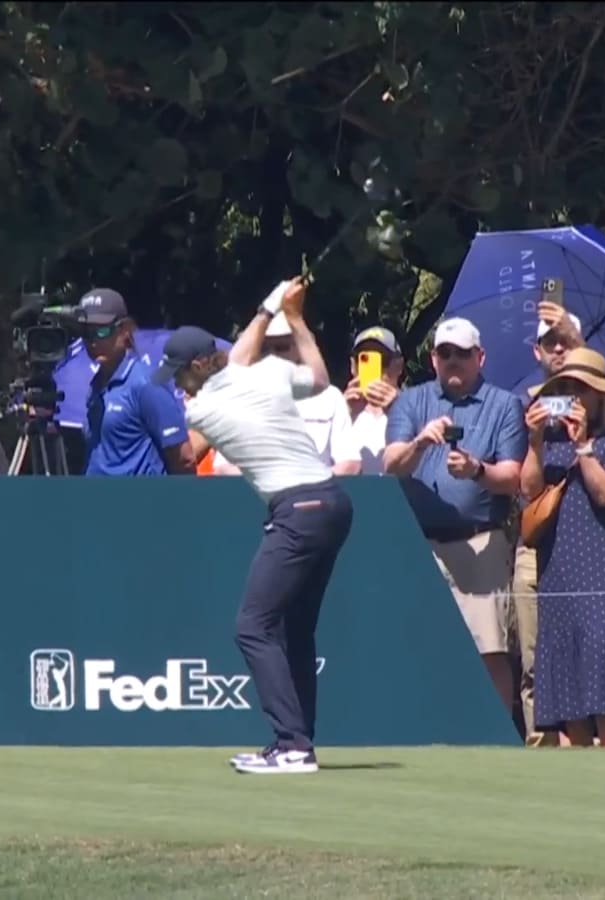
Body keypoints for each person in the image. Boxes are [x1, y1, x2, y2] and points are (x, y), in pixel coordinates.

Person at [154, 277, 352, 776]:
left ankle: (292, 746)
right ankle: (298, 741)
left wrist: (270, 312)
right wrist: (290, 317)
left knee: (252, 627)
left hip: (297, 510)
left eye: (181, 373)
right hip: (332, 503)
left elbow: (188, 451)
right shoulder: (268, 373)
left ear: (201, 364)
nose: (178, 383)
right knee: (294, 630)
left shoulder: (204, 408)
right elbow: (321, 378)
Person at [383, 316, 527, 715]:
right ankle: (426, 729)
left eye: (462, 354)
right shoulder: (411, 401)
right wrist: (419, 442)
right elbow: (392, 463)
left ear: (480, 357)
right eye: (445, 353)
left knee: (490, 650)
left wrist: (477, 470)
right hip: (419, 544)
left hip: (480, 542)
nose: (453, 361)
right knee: (419, 646)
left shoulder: (504, 404)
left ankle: (496, 735)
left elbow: (513, 477)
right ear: (433, 359)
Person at [522, 348, 605, 747]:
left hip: (600, 557)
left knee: (598, 639)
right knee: (562, 645)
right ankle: (575, 752)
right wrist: (536, 443)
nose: (573, 397)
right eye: (565, 389)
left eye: (581, 390)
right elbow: (528, 490)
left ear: (600, 396)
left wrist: (584, 448)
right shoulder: (550, 440)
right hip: (556, 558)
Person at [513, 300, 584, 745]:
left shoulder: (600, 404)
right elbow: (526, 487)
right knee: (534, 658)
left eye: (564, 341)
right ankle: (539, 746)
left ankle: (580, 746)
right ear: (536, 351)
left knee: (583, 652)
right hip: (536, 542)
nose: (557, 349)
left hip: (585, 545)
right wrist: (536, 439)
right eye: (549, 342)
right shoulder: (525, 405)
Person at [206, 313, 359, 476]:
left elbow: (350, 464)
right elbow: (223, 467)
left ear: (300, 348)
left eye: (281, 347)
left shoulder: (329, 397)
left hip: (316, 495)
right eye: (263, 348)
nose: (272, 355)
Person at [74, 288, 193, 476]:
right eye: (85, 333)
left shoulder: (145, 384)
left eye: (102, 331)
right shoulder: (96, 385)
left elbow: (183, 459)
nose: (93, 342)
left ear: (124, 330)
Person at [342, 327, 404, 476]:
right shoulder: (336, 409)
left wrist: (400, 412)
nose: (377, 369)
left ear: (399, 366)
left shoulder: (418, 408)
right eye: (363, 359)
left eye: (382, 360)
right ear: (353, 366)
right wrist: (343, 416)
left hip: (401, 496)